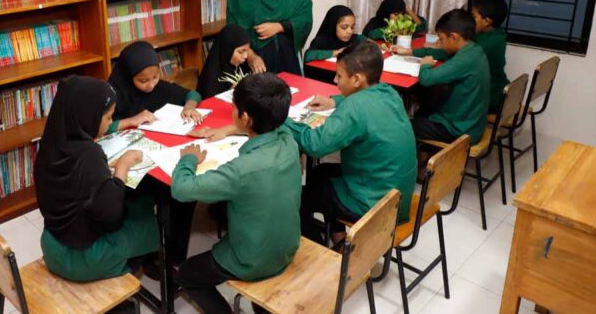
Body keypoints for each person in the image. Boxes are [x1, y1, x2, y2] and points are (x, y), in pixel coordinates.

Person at [173, 73, 301, 314]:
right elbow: (273, 126)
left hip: (252, 260)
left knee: (188, 274)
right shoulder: (288, 140)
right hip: (287, 246)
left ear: (245, 117)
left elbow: (181, 189)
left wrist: (188, 159)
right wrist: (233, 130)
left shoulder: (240, 171)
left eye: (234, 108)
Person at [288, 41, 417, 245]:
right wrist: (335, 101)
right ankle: (338, 236)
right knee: (321, 174)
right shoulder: (389, 92)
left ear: (356, 79)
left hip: (372, 203)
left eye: (339, 75)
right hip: (396, 194)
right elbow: (363, 103)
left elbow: (315, 145)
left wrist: (283, 120)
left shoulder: (355, 107)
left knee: (297, 200)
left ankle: (322, 251)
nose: (335, 80)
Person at [35, 76, 158, 284]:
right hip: (85, 260)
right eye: (108, 118)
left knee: (138, 204)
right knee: (152, 225)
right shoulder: (89, 154)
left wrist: (103, 167)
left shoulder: (51, 145)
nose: (110, 123)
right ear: (88, 116)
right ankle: (127, 270)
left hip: (52, 248)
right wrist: (123, 166)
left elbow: (74, 179)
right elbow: (112, 213)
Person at [397, 0, 509, 112]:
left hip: (490, 97)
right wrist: (412, 51)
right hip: (485, 94)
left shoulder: (480, 47)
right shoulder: (491, 36)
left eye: (474, 16)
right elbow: (446, 52)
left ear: (487, 22)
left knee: (433, 92)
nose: (470, 20)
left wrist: (425, 61)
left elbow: (429, 76)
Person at [400, 9, 491, 145]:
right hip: (472, 123)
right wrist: (411, 52)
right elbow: (442, 53)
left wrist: (425, 65)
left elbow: (426, 78)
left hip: (460, 131)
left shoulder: (465, 60)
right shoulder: (474, 50)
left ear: (454, 37)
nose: (439, 43)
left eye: (441, 39)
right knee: (424, 107)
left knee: (403, 127)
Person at [107, 41, 203, 132]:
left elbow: (193, 94)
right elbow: (98, 128)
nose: (151, 85)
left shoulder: (158, 87)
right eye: (143, 81)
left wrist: (189, 107)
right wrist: (130, 121)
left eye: (155, 77)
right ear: (128, 76)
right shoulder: (111, 94)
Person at [197, 24, 251, 99]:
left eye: (247, 50)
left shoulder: (242, 66)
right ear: (227, 50)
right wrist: (231, 92)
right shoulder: (211, 79)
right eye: (241, 52)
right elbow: (211, 104)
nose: (246, 56)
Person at [362, 0, 428, 40]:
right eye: (396, 14)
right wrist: (396, 29)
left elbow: (422, 28)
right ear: (387, 12)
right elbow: (371, 34)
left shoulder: (403, 22)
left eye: (401, 13)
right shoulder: (376, 22)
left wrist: (409, 11)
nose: (399, 17)